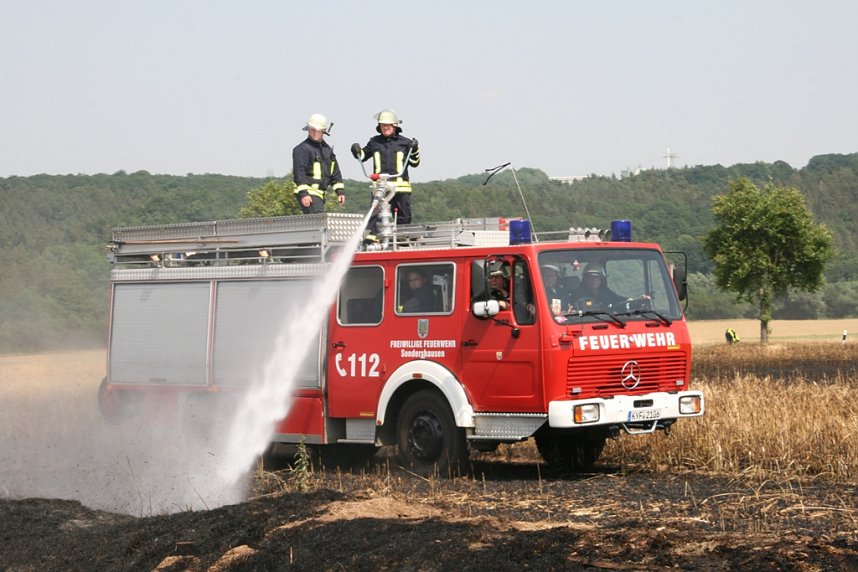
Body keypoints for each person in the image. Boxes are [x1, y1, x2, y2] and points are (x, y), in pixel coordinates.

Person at [351, 109, 420, 231]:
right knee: (374, 220)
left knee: (403, 221)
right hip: (380, 189)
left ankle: (402, 244)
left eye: (388, 125)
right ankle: (372, 244)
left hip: (400, 190)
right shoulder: (374, 142)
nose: (385, 127)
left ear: (394, 126)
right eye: (383, 125)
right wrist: (356, 150)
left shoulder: (405, 143)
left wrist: (414, 150)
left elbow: (415, 163)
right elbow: (362, 156)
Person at [292, 113, 345, 214]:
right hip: (309, 194)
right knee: (319, 221)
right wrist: (304, 194)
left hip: (320, 195)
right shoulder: (302, 149)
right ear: (308, 129)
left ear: (323, 131)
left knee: (316, 224)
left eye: (318, 130)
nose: (315, 133)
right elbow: (299, 174)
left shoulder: (327, 150)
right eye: (312, 130)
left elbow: (335, 173)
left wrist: (340, 192)